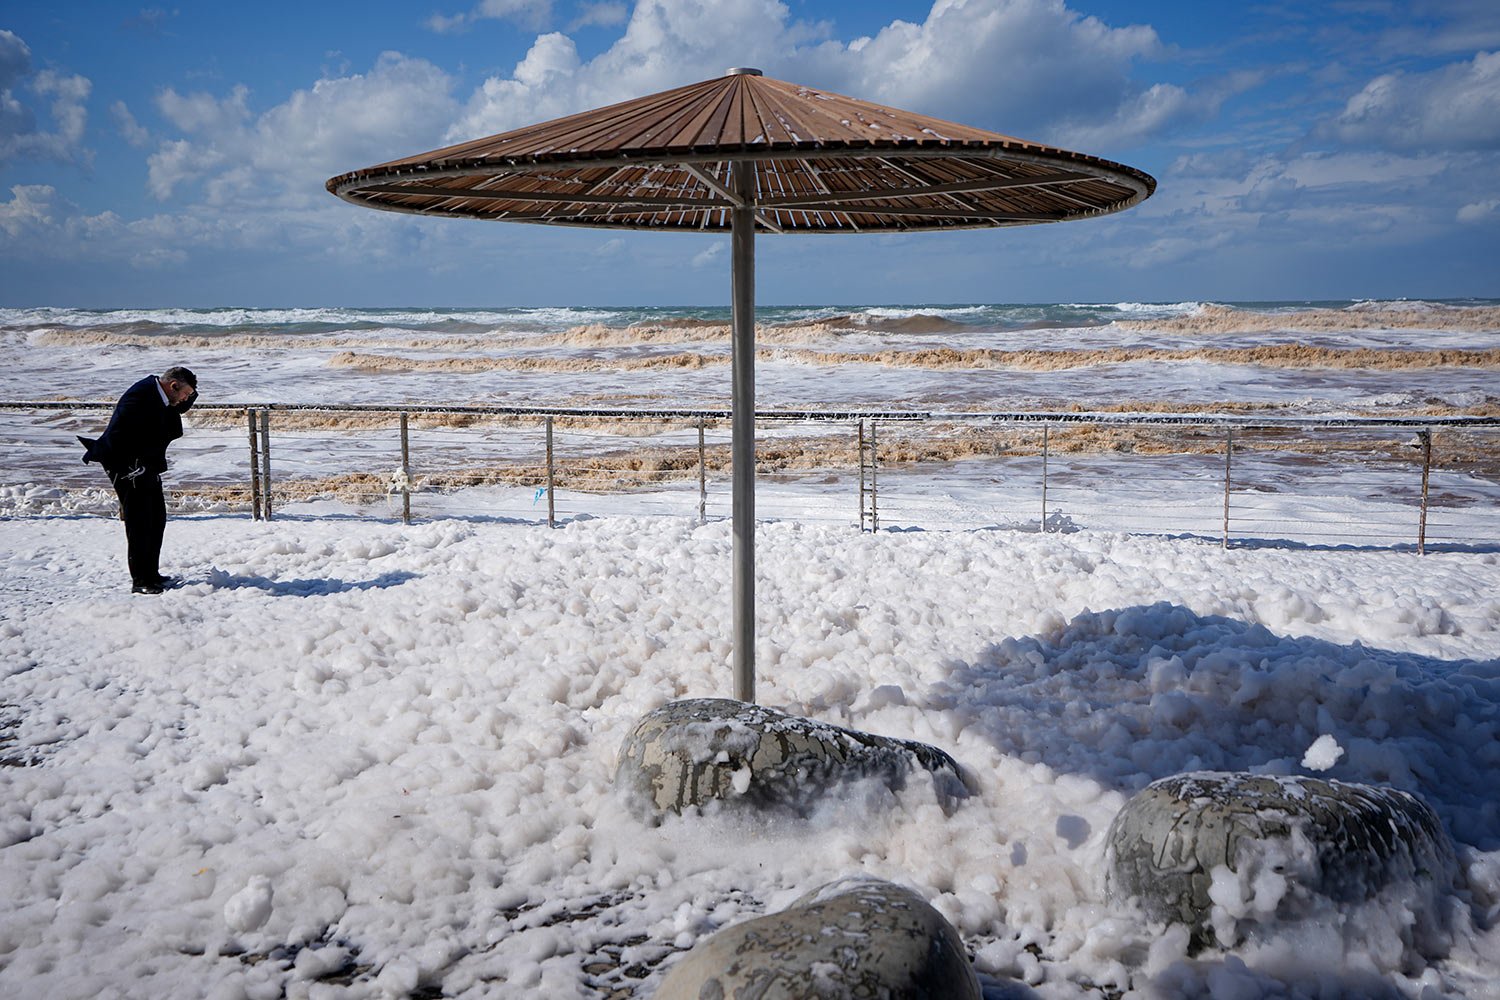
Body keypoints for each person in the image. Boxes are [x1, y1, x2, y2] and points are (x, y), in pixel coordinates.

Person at [79, 367, 199, 594]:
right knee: (139, 523)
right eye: (185, 393)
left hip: (145, 466)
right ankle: (141, 581)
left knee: (156, 519)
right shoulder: (140, 395)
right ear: (173, 386)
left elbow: (177, 408)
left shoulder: (163, 395)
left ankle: (152, 575)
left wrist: (192, 391)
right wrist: (131, 470)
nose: (186, 399)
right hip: (124, 466)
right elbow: (118, 437)